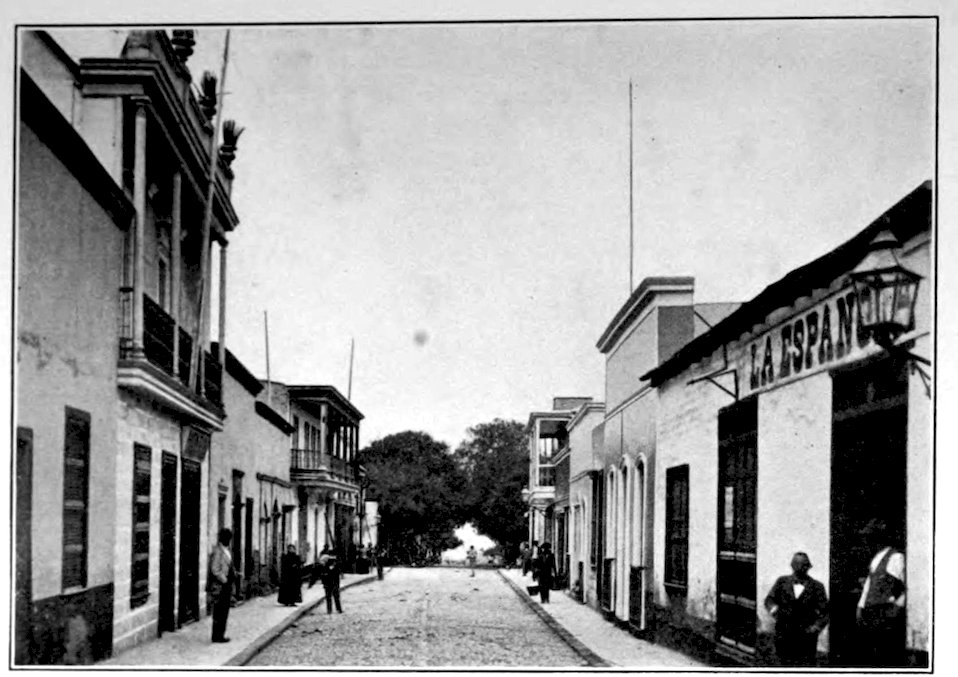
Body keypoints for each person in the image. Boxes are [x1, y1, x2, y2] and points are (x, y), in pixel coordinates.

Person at [764, 552, 829, 666]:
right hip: (783, 635)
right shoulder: (782, 582)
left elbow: (825, 612)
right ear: (792, 566)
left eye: (804, 565)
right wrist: (775, 611)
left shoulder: (817, 586)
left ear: (808, 567)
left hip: (806, 638)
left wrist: (815, 627)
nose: (800, 568)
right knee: (783, 665)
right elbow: (769, 600)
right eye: (797, 565)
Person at [856, 519, 906, 667]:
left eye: (870, 537)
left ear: (879, 537)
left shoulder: (896, 557)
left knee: (884, 655)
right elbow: (868, 585)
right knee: (871, 654)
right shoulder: (876, 558)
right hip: (870, 613)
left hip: (885, 613)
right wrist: (860, 607)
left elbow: (906, 588)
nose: (866, 541)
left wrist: (896, 608)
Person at [207, 528, 235, 643]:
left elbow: (227, 566)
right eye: (227, 538)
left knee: (224, 611)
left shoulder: (226, 551)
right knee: (219, 611)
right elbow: (215, 569)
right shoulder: (218, 551)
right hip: (220, 586)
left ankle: (220, 634)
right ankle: (217, 636)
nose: (228, 541)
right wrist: (225, 580)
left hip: (226, 586)